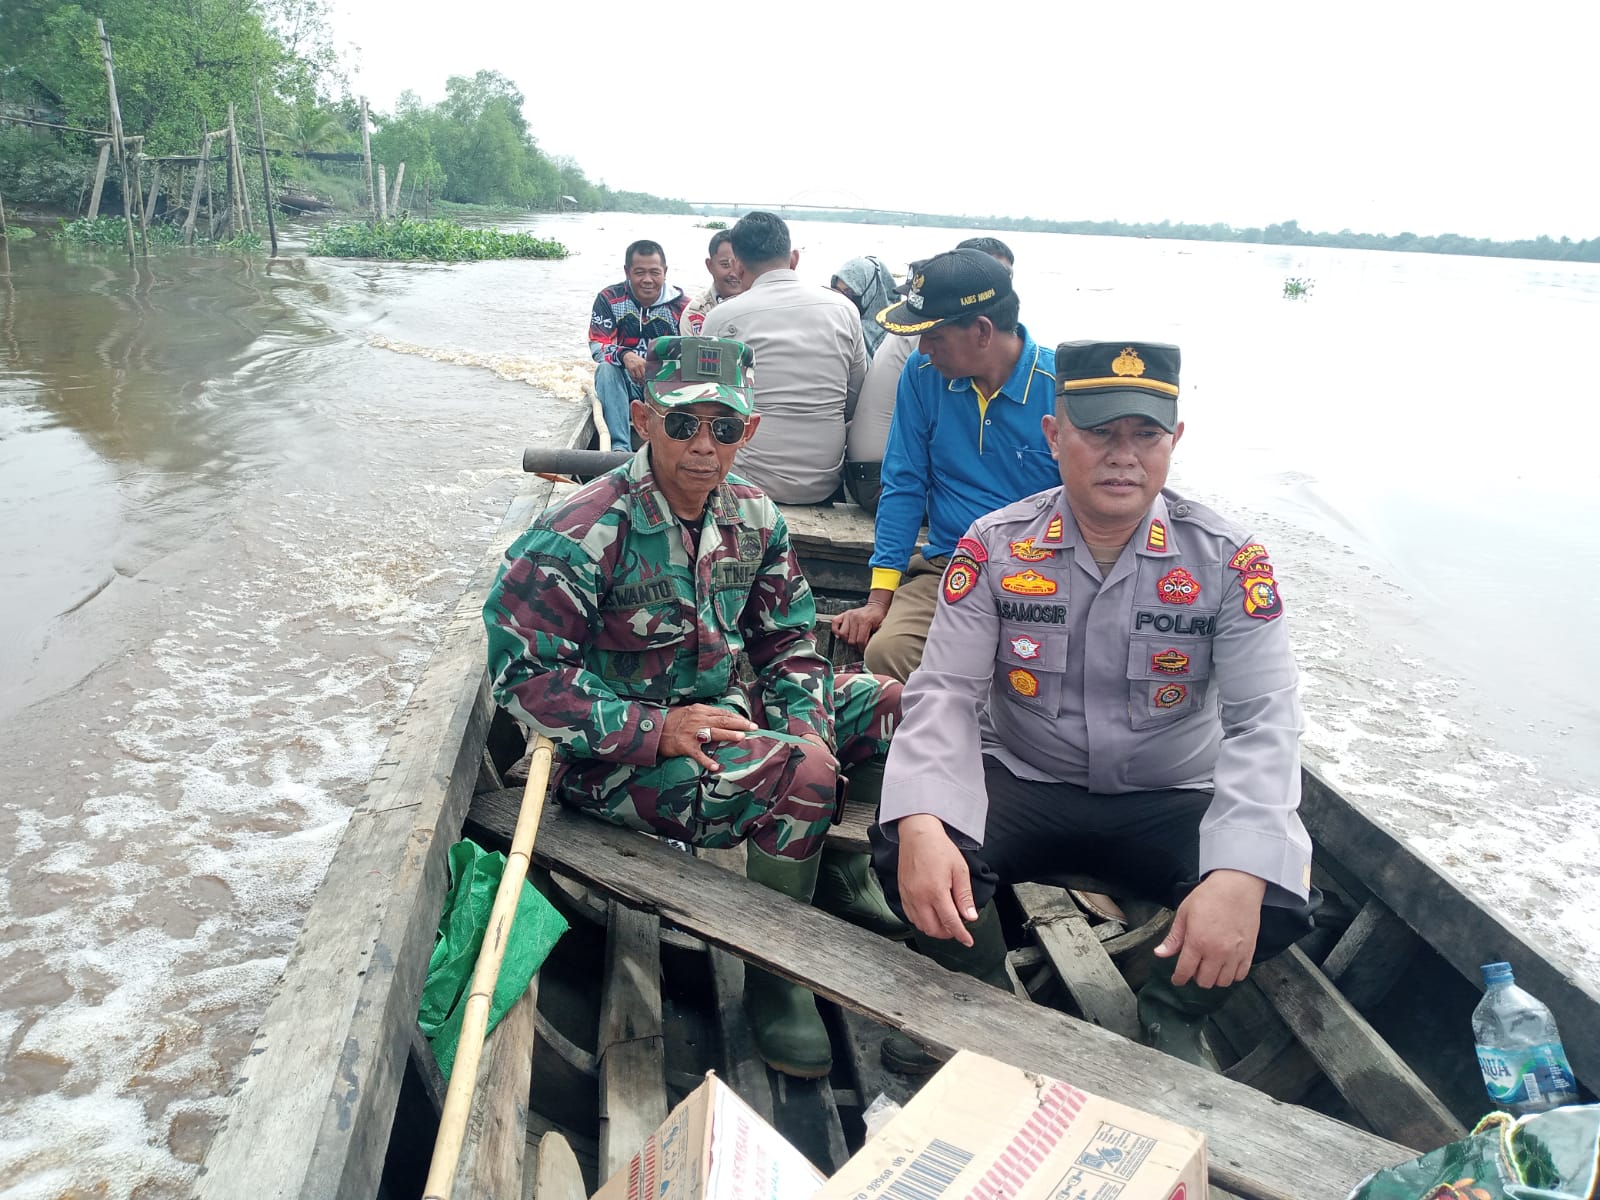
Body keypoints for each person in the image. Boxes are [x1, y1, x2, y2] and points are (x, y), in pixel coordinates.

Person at [869, 340, 1319, 1074]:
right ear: (1054, 437)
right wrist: (920, 817)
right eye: (1099, 432)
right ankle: (981, 1001)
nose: (1123, 455)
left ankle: (1172, 1012)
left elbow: (1264, 719)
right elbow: (944, 694)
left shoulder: (1230, 561)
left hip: (1171, 795)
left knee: (1278, 888)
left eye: (1146, 434)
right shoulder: (993, 547)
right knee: (905, 842)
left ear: (1175, 441)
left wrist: (1238, 871)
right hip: (1025, 778)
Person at [484, 335, 905, 1079]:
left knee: (902, 710)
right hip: (616, 761)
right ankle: (778, 977)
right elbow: (524, 677)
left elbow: (788, 648)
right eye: (683, 425)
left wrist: (811, 735)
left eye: (725, 427)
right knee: (798, 775)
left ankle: (830, 862)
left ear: (751, 431)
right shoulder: (584, 532)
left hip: (729, 713)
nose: (704, 446)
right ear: (644, 421)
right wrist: (655, 729)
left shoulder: (755, 515)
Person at [832, 248, 1059, 681]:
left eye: (934, 335)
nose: (922, 348)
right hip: (949, 569)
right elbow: (904, 483)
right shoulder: (921, 375)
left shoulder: (1060, 390)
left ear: (982, 331)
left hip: (1041, 576)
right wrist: (879, 601)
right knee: (887, 654)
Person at [701, 212, 867, 504]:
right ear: (794, 258)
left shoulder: (720, 317)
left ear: (738, 266)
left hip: (748, 482)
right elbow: (853, 401)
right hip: (823, 482)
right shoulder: (844, 310)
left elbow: (708, 403)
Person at [845, 239, 1017, 514]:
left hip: (862, 473)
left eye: (1007, 276)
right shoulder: (933, 356)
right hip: (881, 481)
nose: (924, 347)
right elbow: (907, 479)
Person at [588, 240, 689, 452]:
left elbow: (691, 355)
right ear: (627, 272)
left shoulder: (683, 307)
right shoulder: (609, 299)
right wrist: (625, 355)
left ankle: (670, 447)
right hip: (624, 383)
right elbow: (598, 345)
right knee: (606, 369)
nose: (647, 280)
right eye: (639, 272)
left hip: (664, 385)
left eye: (654, 272)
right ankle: (619, 449)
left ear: (665, 272)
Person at [830, 256, 898, 360]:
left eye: (849, 293)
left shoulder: (897, 331)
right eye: (836, 291)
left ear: (870, 292)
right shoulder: (834, 327)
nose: (842, 299)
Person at [680, 230, 746, 335]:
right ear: (710, 265)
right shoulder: (697, 312)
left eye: (740, 265)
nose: (734, 273)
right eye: (725, 265)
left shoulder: (763, 303)